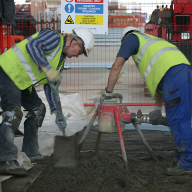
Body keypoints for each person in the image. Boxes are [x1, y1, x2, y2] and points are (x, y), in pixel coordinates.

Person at [0, 27, 95, 176]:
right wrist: (46, 67)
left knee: (38, 109)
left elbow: (52, 88)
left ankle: (30, 151)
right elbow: (33, 46)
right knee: (12, 113)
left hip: (22, 80)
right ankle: (5, 160)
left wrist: (57, 112)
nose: (78, 56)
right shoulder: (54, 38)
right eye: (81, 52)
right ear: (75, 43)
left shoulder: (60, 62)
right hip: (8, 70)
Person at [104, 26, 192, 176]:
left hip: (175, 76)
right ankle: (180, 157)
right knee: (178, 119)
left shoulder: (131, 38)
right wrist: (157, 109)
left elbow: (116, 67)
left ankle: (188, 163)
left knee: (178, 121)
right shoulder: (153, 42)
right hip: (183, 73)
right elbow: (161, 79)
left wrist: (108, 92)